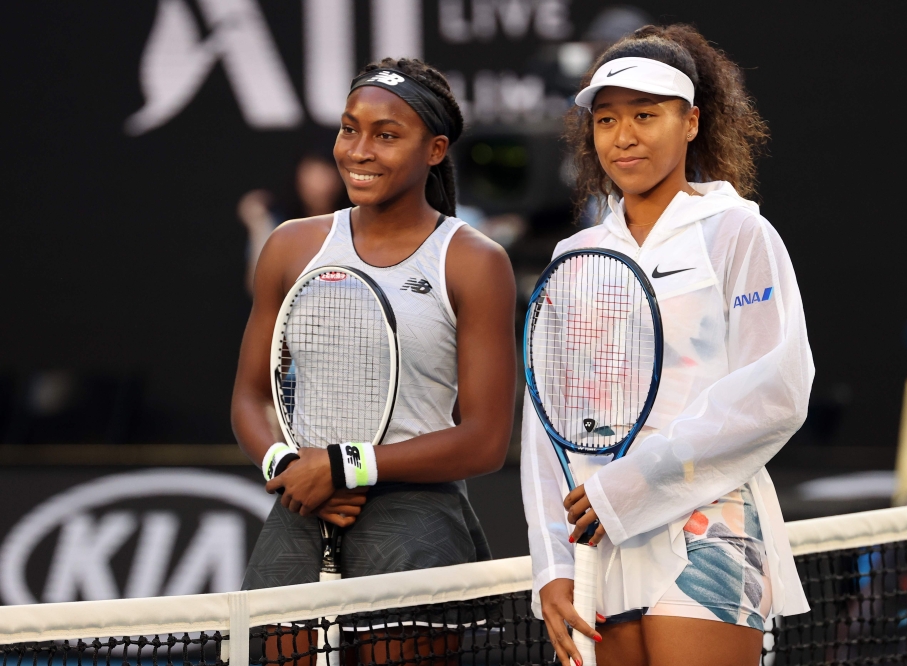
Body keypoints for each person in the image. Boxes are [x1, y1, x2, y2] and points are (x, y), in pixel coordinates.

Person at [521, 25, 813, 666]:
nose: (623, 137)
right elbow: (546, 424)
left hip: (708, 525)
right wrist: (551, 563)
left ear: (691, 123)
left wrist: (629, 486)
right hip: (594, 534)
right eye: (606, 120)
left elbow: (779, 391)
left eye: (646, 115)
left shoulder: (739, 235)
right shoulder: (575, 258)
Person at [231, 57, 517, 661]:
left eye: (387, 135)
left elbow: (486, 440)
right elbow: (249, 397)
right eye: (348, 128)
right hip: (301, 502)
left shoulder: (473, 261)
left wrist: (343, 466)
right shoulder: (290, 245)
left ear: (435, 149)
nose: (359, 150)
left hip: (413, 521)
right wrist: (289, 465)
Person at [237, 145, 351, 295]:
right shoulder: (278, 222)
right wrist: (260, 225)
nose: (319, 183)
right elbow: (257, 286)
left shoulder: (354, 224)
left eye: (326, 173)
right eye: (312, 172)